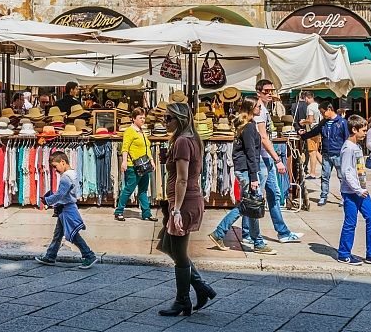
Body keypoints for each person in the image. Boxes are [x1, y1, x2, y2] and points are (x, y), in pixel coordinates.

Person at [157, 101, 215, 317]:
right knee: (167, 244)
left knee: (179, 254)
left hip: (184, 202)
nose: (164, 122)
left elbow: (182, 179)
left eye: (168, 118)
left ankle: (183, 300)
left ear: (179, 120)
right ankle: (200, 287)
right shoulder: (192, 138)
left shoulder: (182, 141)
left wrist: (176, 210)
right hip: (186, 200)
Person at [209, 100, 274, 254]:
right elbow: (251, 153)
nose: (260, 108)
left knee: (250, 205)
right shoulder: (250, 127)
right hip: (247, 171)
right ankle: (220, 233)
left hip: (243, 169)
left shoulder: (244, 125)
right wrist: (254, 177)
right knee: (247, 205)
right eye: (258, 106)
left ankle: (256, 242)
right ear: (252, 108)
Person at [251, 78, 302, 242]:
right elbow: (263, 138)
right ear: (258, 92)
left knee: (274, 194)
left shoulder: (265, 109)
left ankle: (283, 232)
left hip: (266, 159)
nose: (270, 94)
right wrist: (277, 159)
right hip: (262, 159)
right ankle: (245, 234)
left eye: (271, 91)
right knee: (255, 199)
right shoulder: (258, 110)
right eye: (266, 91)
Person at [337, 114, 371, 266]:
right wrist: (357, 189)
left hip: (361, 190)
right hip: (351, 192)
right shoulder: (348, 148)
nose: (365, 133)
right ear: (354, 129)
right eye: (363, 130)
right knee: (350, 222)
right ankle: (344, 253)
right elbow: (346, 171)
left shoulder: (357, 146)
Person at [34, 150, 100, 268]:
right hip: (66, 208)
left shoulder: (66, 177)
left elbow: (60, 194)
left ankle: (89, 255)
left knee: (73, 235)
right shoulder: (73, 173)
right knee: (58, 235)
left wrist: (47, 200)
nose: (55, 170)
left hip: (66, 210)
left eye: (55, 166)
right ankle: (50, 256)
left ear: (63, 162)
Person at [301, 103, 349, 206]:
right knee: (324, 176)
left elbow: (347, 138)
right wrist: (303, 136)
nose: (323, 115)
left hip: (338, 153)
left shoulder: (342, 122)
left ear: (329, 109)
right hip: (326, 153)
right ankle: (323, 196)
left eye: (323, 112)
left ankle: (344, 197)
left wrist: (346, 153)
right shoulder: (324, 123)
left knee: (342, 177)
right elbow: (314, 132)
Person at [115, 107, 155, 222]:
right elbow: (125, 147)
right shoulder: (130, 131)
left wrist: (151, 160)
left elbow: (147, 147)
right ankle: (119, 211)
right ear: (133, 119)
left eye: (144, 117)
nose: (143, 119)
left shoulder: (142, 131)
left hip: (144, 165)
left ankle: (146, 213)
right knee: (129, 188)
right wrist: (124, 162)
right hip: (133, 165)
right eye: (140, 117)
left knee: (143, 190)